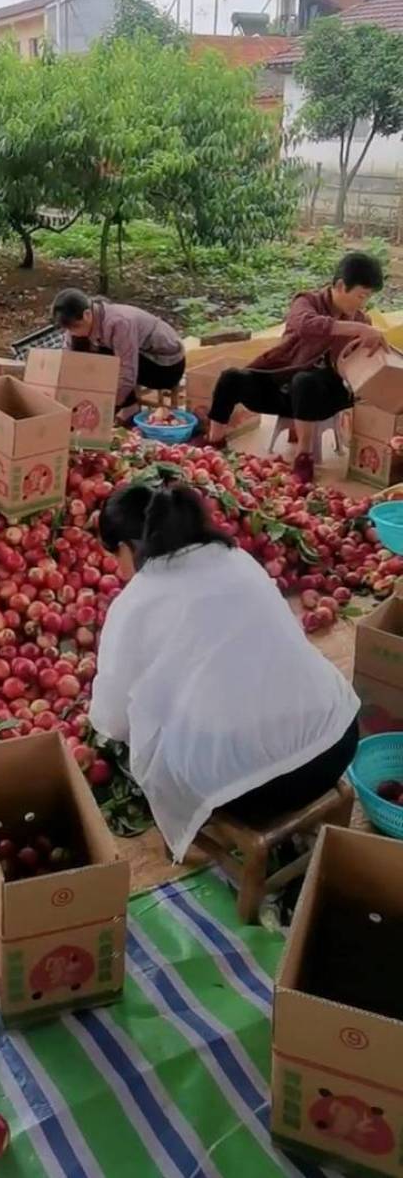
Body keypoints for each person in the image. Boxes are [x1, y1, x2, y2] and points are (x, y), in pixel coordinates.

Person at [91, 481, 359, 863]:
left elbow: (114, 721)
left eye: (113, 554)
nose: (116, 567)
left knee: (151, 736)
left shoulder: (137, 602)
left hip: (259, 786)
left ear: (126, 547)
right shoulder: (235, 558)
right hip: (339, 737)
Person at [207, 252, 385, 482]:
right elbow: (305, 325)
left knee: (305, 381)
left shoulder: (362, 322)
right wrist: (354, 329)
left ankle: (304, 457)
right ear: (341, 286)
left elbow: (357, 365)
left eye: (368, 298)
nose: (364, 304)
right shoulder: (307, 301)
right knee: (231, 377)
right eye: (361, 296)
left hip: (324, 395)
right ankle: (214, 442)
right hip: (283, 389)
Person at [51, 289, 185, 424]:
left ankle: (128, 406)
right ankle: (125, 403)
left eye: (75, 327)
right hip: (139, 360)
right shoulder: (81, 324)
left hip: (165, 367)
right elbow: (69, 358)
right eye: (69, 329)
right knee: (82, 346)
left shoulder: (119, 323)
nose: (72, 332)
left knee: (102, 359)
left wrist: (107, 406)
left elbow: (127, 371)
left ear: (87, 314)